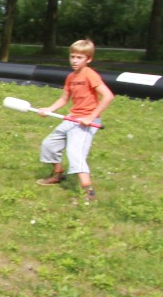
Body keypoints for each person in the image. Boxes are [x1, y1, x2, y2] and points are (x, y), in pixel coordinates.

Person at [35, 39, 115, 203]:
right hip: (72, 119)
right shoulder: (71, 77)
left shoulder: (90, 75)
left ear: (88, 59)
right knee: (49, 144)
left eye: (79, 57)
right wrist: (49, 109)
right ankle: (58, 174)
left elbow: (108, 96)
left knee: (75, 153)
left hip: (86, 122)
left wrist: (91, 117)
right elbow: (64, 99)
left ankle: (89, 192)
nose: (75, 61)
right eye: (72, 57)